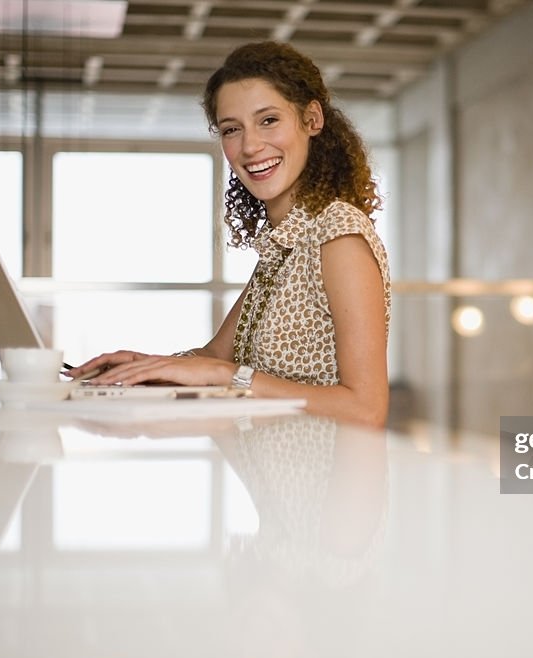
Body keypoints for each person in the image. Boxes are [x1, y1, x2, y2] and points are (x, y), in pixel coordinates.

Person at [67, 42, 391, 428]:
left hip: (322, 483)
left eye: (268, 120)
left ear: (312, 120)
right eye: (232, 129)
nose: (250, 146)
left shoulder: (338, 236)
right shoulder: (283, 246)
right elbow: (216, 357)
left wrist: (229, 377)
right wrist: (141, 368)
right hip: (276, 481)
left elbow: (366, 408)